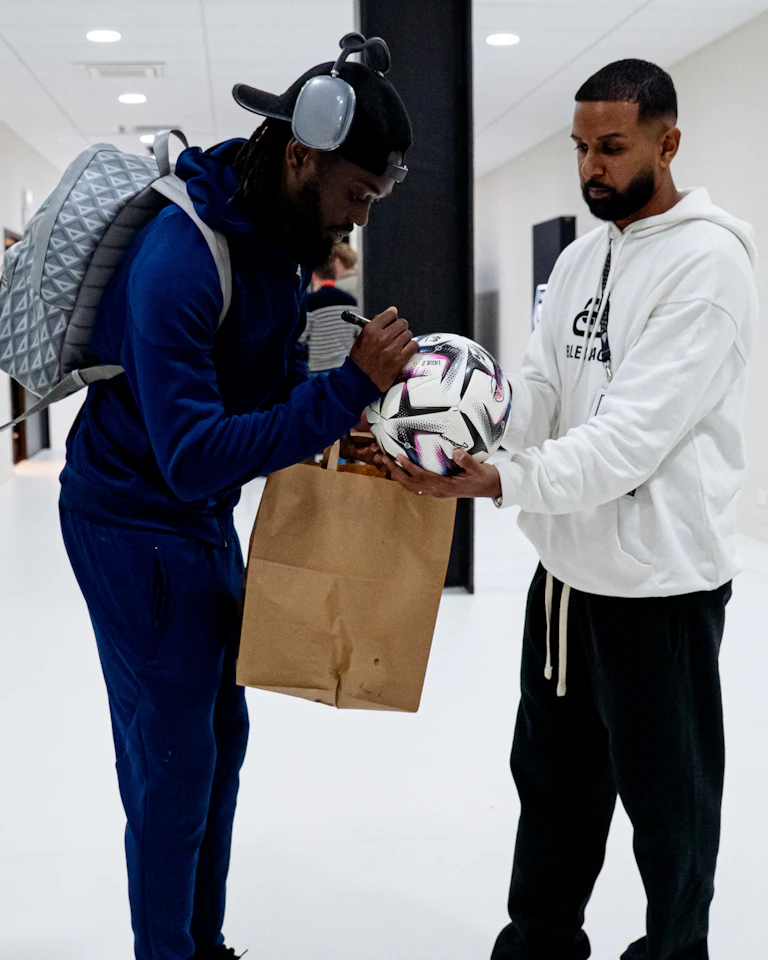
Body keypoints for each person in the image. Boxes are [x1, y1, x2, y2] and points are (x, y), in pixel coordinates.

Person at [385, 60, 758, 960]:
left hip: (657, 585)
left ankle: (675, 950)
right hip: (564, 579)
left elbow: (633, 439)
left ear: (668, 144)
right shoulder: (584, 253)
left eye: (613, 147)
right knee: (552, 780)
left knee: (668, 803)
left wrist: (499, 482)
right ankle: (542, 941)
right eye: (581, 148)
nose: (591, 167)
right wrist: (473, 427)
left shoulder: (708, 266)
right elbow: (550, 379)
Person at [58, 45, 415, 960]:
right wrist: (335, 398)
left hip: (199, 520)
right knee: (173, 769)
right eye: (358, 196)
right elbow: (190, 458)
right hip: (134, 521)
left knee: (219, 744)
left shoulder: (280, 242)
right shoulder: (180, 259)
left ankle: (198, 943)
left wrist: (348, 414)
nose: (359, 220)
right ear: (301, 159)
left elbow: (270, 382)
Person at [302, 242, 359, 376]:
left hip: (317, 367)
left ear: (314, 276)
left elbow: (302, 336)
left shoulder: (311, 301)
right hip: (344, 364)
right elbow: (358, 332)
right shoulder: (351, 300)